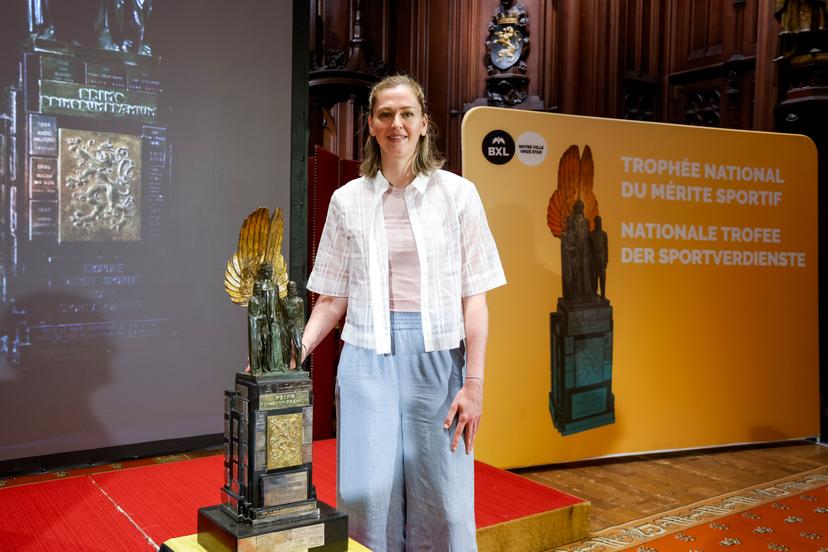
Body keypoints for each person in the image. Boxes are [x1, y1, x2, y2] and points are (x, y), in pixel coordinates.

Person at [303, 74, 506, 551]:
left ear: (423, 124)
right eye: (386, 115)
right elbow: (332, 299)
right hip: (365, 357)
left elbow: (474, 298)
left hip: (438, 357)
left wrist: (473, 383)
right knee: (366, 498)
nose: (397, 124)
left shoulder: (459, 195)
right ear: (371, 125)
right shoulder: (346, 201)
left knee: (445, 498)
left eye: (406, 114)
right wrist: (292, 351)